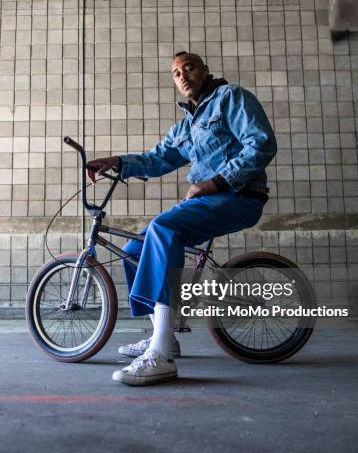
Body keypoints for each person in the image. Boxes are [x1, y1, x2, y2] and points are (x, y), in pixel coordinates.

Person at [86, 52, 277, 386]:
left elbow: (261, 144)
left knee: (162, 228)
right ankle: (164, 335)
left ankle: (160, 355)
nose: (183, 75)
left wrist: (217, 181)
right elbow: (159, 158)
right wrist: (116, 161)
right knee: (134, 248)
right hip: (211, 197)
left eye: (188, 67)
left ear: (205, 70)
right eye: (176, 73)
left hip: (236, 195)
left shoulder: (230, 98)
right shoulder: (189, 124)